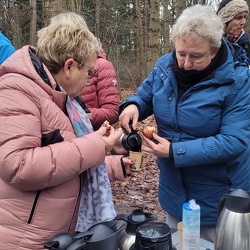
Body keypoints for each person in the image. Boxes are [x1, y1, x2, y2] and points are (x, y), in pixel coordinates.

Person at [119, 4, 250, 242]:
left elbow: (235, 141)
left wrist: (174, 151)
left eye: (196, 56)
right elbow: (145, 94)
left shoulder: (238, 80)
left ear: (215, 49)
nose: (185, 64)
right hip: (174, 195)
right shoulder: (163, 66)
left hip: (218, 200)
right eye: (181, 53)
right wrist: (132, 105)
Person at [0, 12, 127, 249]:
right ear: (69, 66)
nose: (90, 80)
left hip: (57, 237)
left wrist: (112, 161)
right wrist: (97, 145)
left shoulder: (62, 97)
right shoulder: (17, 89)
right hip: (24, 240)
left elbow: (65, 163)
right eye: (88, 71)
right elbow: (18, 166)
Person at [80, 48, 120, 131]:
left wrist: (78, 115)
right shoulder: (59, 64)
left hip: (93, 134)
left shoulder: (102, 65)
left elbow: (112, 111)